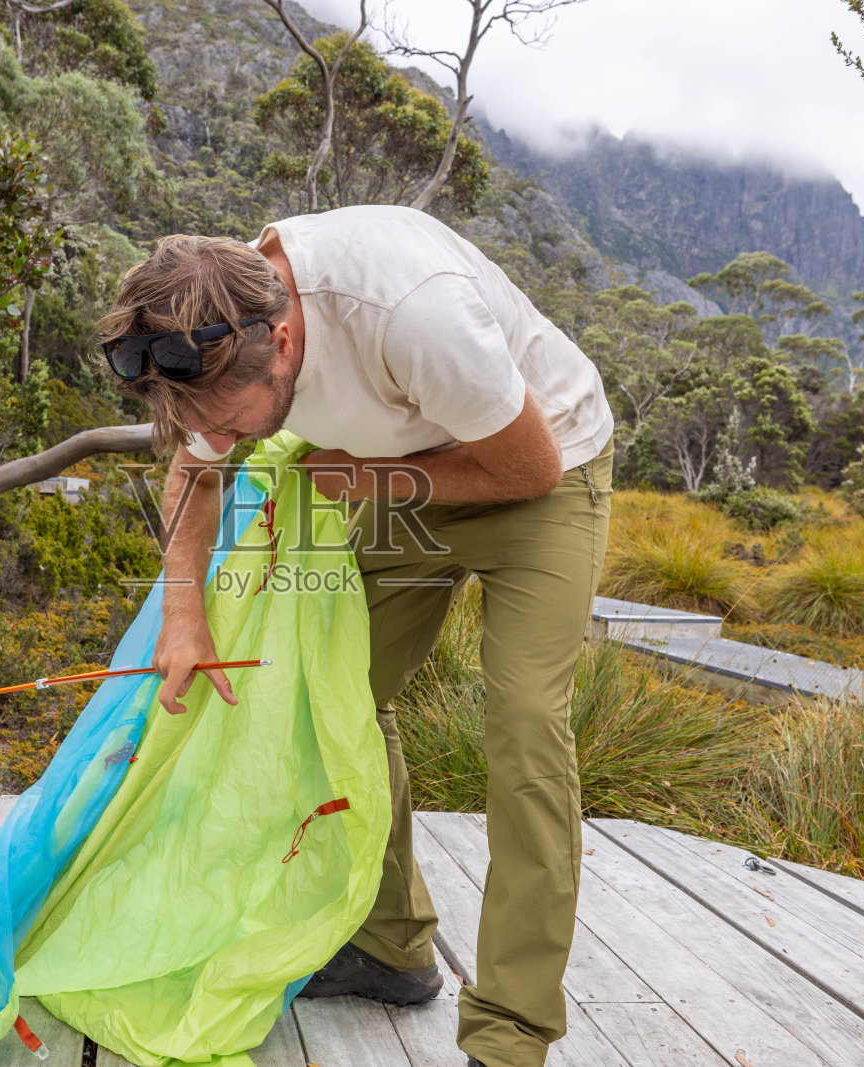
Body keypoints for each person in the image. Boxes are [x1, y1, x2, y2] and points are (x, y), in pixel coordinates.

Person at [96, 204, 613, 1067]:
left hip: (542, 474)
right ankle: (392, 943)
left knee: (525, 725)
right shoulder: (203, 327)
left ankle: (511, 1035)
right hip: (391, 477)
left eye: (232, 418)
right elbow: (196, 468)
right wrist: (183, 615)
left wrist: (368, 474)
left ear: (286, 342)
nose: (220, 436)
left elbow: (529, 467)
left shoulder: (411, 309)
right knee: (334, 688)